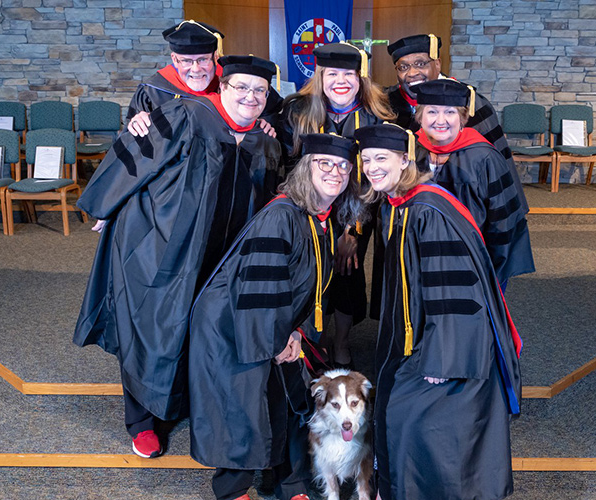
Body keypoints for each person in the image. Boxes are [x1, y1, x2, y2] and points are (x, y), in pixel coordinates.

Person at [73, 55, 282, 459]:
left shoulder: (265, 142)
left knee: (196, 326)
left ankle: (175, 401)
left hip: (219, 257)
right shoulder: (186, 114)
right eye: (240, 86)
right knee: (151, 325)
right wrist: (104, 206)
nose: (249, 96)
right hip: (161, 246)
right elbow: (136, 154)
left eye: (259, 90)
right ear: (222, 86)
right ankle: (142, 421)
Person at [188, 133, 363, 500]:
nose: (335, 171)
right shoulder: (281, 215)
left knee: (285, 400)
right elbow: (260, 284)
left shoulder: (319, 218)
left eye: (343, 167)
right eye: (325, 164)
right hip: (235, 325)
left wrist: (297, 331)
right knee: (244, 406)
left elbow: (309, 291)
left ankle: (290, 485)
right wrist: (277, 337)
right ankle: (233, 490)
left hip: (273, 325)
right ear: (305, 169)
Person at [355, 123, 522, 500]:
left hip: (450, 351)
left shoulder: (427, 210)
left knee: (417, 421)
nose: (372, 167)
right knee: (399, 415)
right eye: (366, 160)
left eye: (382, 158)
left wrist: (444, 361)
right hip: (420, 339)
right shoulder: (400, 204)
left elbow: (454, 292)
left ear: (405, 160)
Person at [278, 42, 395, 367]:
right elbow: (285, 162)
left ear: (361, 78)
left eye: (349, 74)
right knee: (308, 271)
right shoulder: (298, 110)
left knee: (347, 272)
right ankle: (314, 337)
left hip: (356, 212)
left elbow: (376, 180)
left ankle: (341, 341)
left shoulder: (375, 116)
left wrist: (353, 233)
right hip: (308, 209)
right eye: (333, 74)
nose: (340, 81)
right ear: (321, 75)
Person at [413, 78, 535, 287]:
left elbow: (502, 222)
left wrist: (491, 271)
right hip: (423, 260)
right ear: (420, 117)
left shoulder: (484, 157)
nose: (440, 120)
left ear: (462, 117)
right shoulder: (411, 152)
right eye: (432, 112)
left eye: (450, 112)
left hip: (473, 264)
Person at [385, 33, 526, 209]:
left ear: (437, 64)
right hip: (404, 206)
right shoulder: (388, 103)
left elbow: (496, 165)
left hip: (464, 204)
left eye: (420, 64)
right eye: (403, 67)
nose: (412, 73)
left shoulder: (469, 103)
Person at [126, 20, 281, 137]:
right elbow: (132, 141)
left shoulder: (235, 81)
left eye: (203, 60)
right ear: (174, 59)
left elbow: (273, 111)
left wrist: (266, 123)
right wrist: (135, 123)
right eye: (186, 61)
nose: (196, 69)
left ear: (215, 56)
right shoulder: (153, 91)